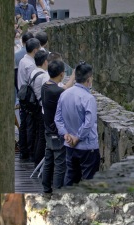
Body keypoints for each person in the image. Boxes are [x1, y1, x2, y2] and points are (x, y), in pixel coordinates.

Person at [54, 62, 99, 186]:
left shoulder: (64, 94)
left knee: (70, 178)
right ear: (89, 79)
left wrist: (66, 134)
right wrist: (78, 137)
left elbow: (58, 118)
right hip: (87, 146)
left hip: (69, 145)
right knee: (89, 181)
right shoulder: (88, 98)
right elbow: (89, 123)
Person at [41, 56, 74, 193]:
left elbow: (64, 88)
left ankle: (46, 188)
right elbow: (65, 90)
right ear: (61, 74)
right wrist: (74, 77)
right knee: (60, 164)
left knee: (49, 161)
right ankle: (58, 191)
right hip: (57, 132)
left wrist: (72, 77)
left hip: (48, 129)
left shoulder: (46, 86)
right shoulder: (57, 91)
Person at [17, 37, 41, 161]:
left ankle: (23, 150)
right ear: (35, 50)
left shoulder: (22, 60)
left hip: (22, 95)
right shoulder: (31, 64)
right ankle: (30, 151)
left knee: (24, 124)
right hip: (29, 98)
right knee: (30, 125)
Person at [29, 50, 49, 168]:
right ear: (45, 62)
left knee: (39, 135)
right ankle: (38, 161)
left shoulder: (33, 72)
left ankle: (37, 159)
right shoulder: (43, 76)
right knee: (42, 137)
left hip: (35, 107)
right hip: (41, 108)